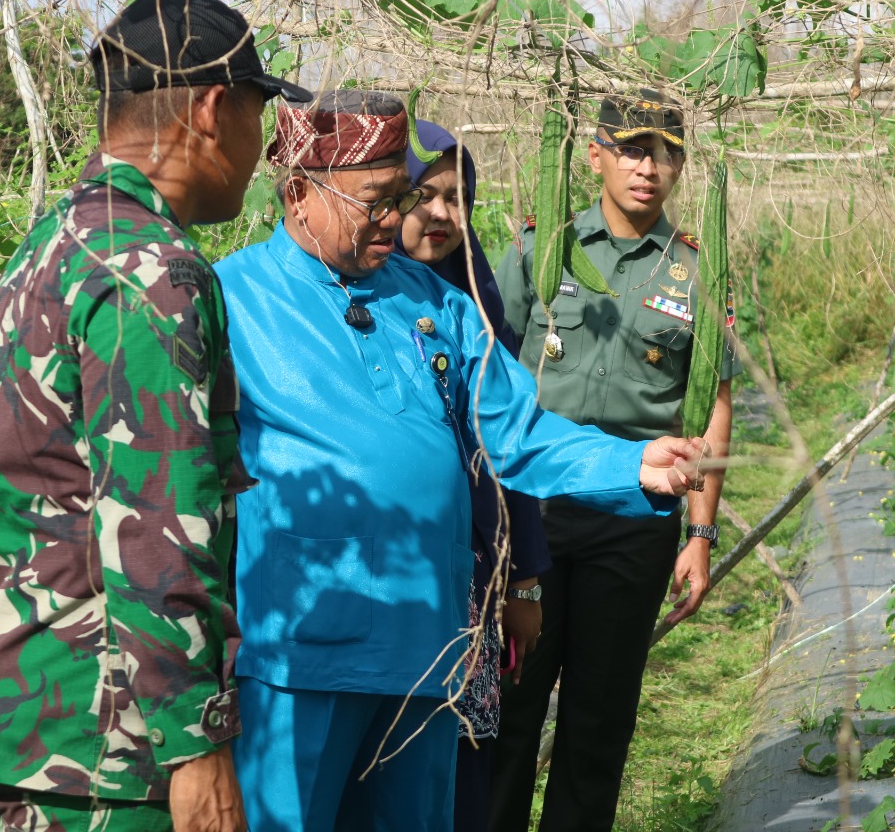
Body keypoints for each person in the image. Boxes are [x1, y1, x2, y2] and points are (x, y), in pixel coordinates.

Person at [213, 89, 705, 832]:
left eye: (397, 201)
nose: (392, 223)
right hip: (300, 656)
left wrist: (632, 466)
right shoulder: (231, 298)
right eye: (373, 204)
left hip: (425, 647)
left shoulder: (435, 302)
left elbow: (516, 428)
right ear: (297, 194)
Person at [0, 0, 311, 832]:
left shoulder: (52, 242)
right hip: (108, 748)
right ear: (214, 109)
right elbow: (158, 525)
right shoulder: (150, 273)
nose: (262, 150)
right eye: (261, 114)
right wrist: (199, 746)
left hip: (30, 719)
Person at [489, 89, 739, 832]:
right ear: (595, 154)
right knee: (510, 708)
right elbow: (491, 368)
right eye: (632, 148)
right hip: (533, 510)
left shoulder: (698, 272)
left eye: (665, 154)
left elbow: (713, 402)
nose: (648, 167)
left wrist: (700, 535)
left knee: (598, 723)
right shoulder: (543, 250)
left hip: (636, 517)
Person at [397, 120, 551, 832]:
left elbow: (510, 453)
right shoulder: (353, 303)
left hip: (473, 590)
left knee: (464, 769)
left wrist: (520, 580)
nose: (440, 215)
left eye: (456, 198)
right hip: (389, 590)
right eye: (419, 195)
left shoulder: (478, 309)